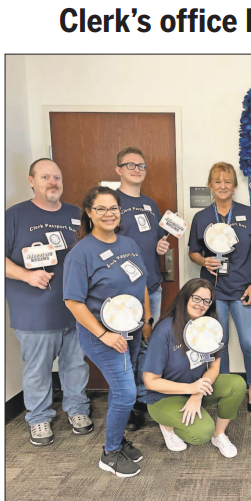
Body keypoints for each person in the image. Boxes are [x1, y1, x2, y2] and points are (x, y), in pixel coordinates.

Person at [63, 186, 152, 478]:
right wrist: (103, 335)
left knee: (121, 388)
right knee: (126, 392)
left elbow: (141, 283)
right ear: (89, 213)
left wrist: (147, 318)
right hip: (102, 336)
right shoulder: (81, 254)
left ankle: (119, 439)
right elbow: (73, 302)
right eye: (100, 209)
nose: (108, 214)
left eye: (113, 208)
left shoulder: (128, 243)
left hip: (133, 329)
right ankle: (110, 453)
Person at [6, 158, 92, 446]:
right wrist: (26, 276)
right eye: (45, 177)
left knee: (76, 364)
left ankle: (78, 410)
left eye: (57, 177)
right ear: (31, 181)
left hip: (74, 308)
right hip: (35, 311)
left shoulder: (75, 213)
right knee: (38, 368)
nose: (53, 182)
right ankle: (39, 418)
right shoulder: (14, 215)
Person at [188, 162, 251, 412]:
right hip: (213, 292)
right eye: (218, 181)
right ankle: (228, 389)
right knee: (219, 343)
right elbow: (193, 252)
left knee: (250, 343)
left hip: (243, 290)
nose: (223, 186)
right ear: (210, 185)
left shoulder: (249, 214)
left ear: (234, 186)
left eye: (228, 181)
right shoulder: (202, 217)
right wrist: (203, 260)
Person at [143, 278, 246, 456]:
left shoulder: (211, 327)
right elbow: (150, 381)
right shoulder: (165, 330)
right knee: (201, 433)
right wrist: (190, 388)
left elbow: (215, 366)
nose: (201, 305)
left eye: (207, 301)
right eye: (196, 298)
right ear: (185, 298)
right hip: (164, 397)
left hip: (195, 388)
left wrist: (197, 393)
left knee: (237, 384)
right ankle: (167, 425)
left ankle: (219, 434)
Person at [115, 146, 170, 430]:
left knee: (148, 345)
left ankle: (145, 396)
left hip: (152, 287)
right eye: (131, 165)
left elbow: (156, 242)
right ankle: (128, 404)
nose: (137, 170)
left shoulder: (150, 204)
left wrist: (161, 247)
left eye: (141, 165)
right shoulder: (111, 202)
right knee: (126, 348)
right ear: (118, 170)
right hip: (122, 293)